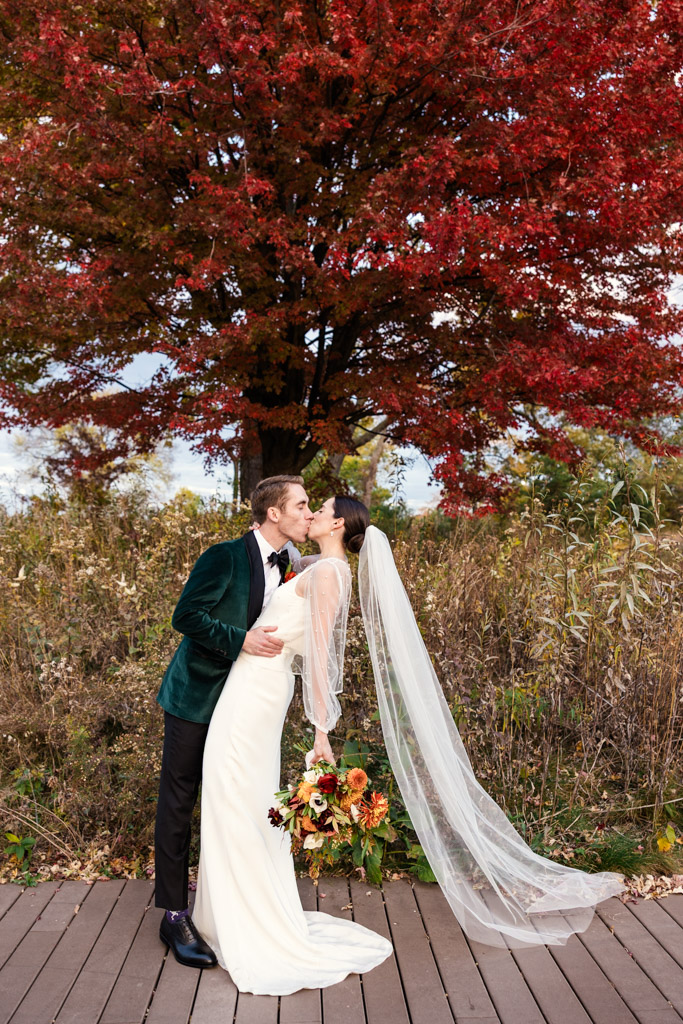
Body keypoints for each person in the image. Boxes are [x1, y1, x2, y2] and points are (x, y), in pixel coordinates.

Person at [193, 495, 625, 994]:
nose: (310, 514)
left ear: (337, 522)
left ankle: (248, 922)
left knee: (235, 796)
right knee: (235, 797)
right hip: (251, 685)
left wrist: (320, 732)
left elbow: (318, 656)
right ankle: (228, 914)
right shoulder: (319, 565)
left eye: (320, 507)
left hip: (257, 692)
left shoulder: (331, 574)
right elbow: (283, 575)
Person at [155, 475, 314, 969]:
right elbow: (187, 616)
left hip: (245, 705)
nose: (308, 513)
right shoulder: (223, 556)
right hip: (197, 697)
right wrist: (240, 639)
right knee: (180, 798)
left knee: (234, 799)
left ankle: (225, 898)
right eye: (301, 505)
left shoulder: (289, 562)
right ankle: (175, 914)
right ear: (274, 514)